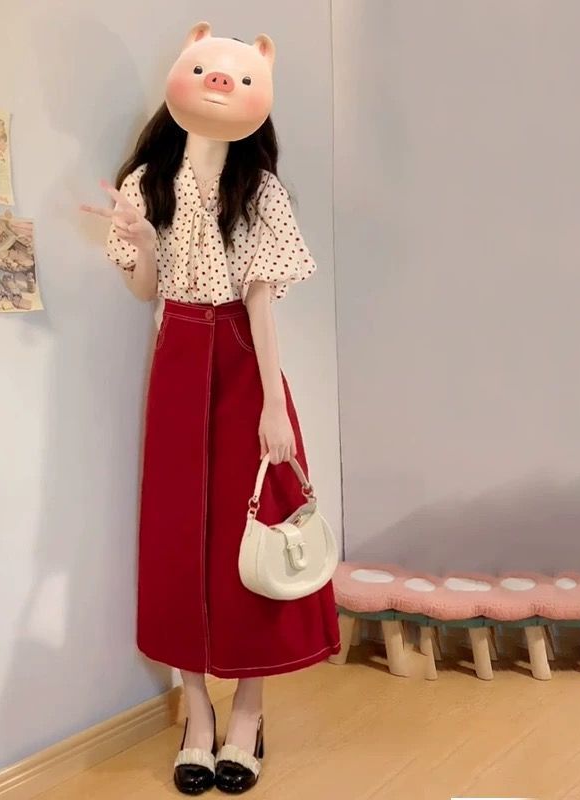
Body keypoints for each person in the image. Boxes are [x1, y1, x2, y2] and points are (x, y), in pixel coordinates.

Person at [82, 22, 340, 796]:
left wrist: (273, 404)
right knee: (177, 537)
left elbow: (260, 302)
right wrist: (141, 241)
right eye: (206, 70)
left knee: (248, 535)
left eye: (240, 77)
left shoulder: (258, 189)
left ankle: (249, 716)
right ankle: (197, 715)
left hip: (241, 357)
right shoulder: (147, 183)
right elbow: (144, 290)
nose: (220, 85)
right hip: (178, 353)